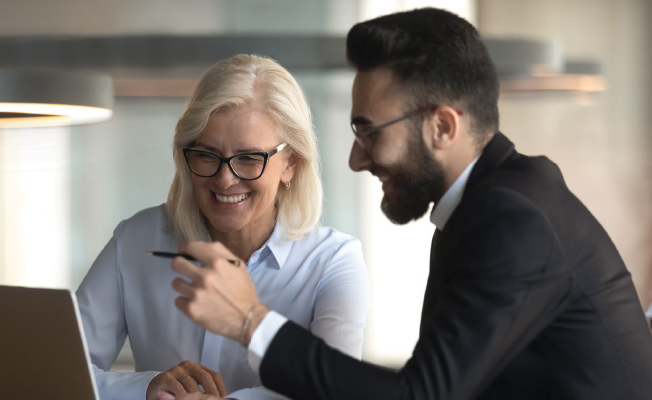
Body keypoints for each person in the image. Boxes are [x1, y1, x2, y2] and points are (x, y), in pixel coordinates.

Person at [165, 8, 652, 400]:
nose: (357, 159)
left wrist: (250, 320)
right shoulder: (492, 203)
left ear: (442, 127)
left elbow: (419, 394)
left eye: (369, 132)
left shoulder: (511, 219)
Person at [75, 54, 370, 400]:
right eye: (206, 155)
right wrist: (147, 388)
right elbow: (58, 372)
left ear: (290, 163)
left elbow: (338, 392)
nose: (225, 179)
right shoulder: (135, 240)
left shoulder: (332, 263)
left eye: (248, 158)